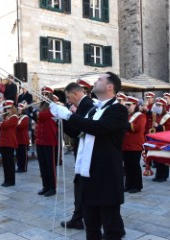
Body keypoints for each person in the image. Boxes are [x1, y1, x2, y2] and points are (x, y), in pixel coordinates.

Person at [50, 72, 128, 240]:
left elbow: (98, 128)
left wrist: (69, 115)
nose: (95, 81)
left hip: (106, 175)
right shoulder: (94, 109)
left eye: (100, 79)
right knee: (91, 227)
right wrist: (61, 118)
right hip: (88, 174)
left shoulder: (119, 109)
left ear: (110, 86)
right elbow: (78, 132)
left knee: (111, 228)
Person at [60, 82, 94, 230]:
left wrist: (65, 117)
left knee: (84, 186)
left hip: (87, 152)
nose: (68, 101)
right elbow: (76, 130)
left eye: (68, 97)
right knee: (79, 184)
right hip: (82, 151)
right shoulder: (84, 105)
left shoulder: (87, 105)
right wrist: (62, 119)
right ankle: (78, 217)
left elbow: (77, 130)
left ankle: (82, 218)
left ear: (75, 94)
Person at [35, 86, 58, 197]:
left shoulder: (53, 107)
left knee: (50, 166)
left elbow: (43, 116)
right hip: (40, 140)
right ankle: (45, 186)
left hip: (49, 140)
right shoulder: (42, 107)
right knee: (42, 165)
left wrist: (33, 113)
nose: (43, 96)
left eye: (45, 94)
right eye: (42, 94)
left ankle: (52, 187)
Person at [122, 96, 146, 193]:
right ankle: (128, 185)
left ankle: (137, 186)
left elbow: (137, 128)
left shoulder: (141, 116)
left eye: (129, 105)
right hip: (125, 145)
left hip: (135, 145)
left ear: (135, 105)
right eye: (126, 105)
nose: (127, 107)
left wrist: (123, 122)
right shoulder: (127, 116)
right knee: (127, 166)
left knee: (134, 166)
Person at [151, 97, 170, 182]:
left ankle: (163, 176)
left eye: (159, 105)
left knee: (163, 158)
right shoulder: (156, 115)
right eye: (156, 105)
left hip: (164, 139)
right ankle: (158, 175)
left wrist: (158, 126)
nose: (157, 106)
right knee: (157, 158)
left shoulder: (167, 117)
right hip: (156, 139)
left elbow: (169, 128)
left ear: (163, 106)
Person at [0, 100, 18, 187]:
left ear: (12, 108)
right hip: (3, 142)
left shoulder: (14, 117)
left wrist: (1, 123)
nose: (7, 110)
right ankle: (6, 179)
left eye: (9, 108)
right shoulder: (5, 118)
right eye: (6, 109)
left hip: (9, 142)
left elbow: (5, 125)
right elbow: (1, 127)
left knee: (10, 163)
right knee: (5, 163)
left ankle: (11, 181)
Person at [15, 102, 30, 173]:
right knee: (18, 154)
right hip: (17, 138)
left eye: (19, 109)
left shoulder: (25, 117)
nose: (18, 110)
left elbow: (20, 126)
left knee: (23, 155)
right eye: (18, 109)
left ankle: (23, 168)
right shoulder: (18, 117)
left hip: (23, 138)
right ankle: (19, 167)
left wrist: (15, 125)